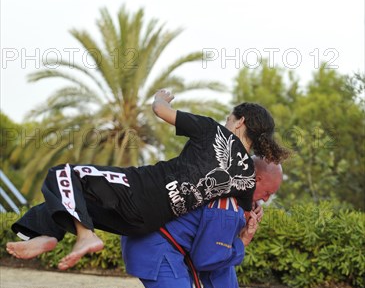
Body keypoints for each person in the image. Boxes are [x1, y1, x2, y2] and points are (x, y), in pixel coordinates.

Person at [7, 90, 288, 271]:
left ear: (239, 122)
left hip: (141, 188)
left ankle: (84, 236)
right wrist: (249, 227)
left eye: (230, 118)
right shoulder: (247, 180)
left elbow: (159, 111)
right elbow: (243, 213)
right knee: (83, 202)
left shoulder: (212, 130)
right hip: (147, 221)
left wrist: (161, 97)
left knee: (64, 174)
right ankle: (45, 233)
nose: (226, 121)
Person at [83, 158, 283, 288]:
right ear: (255, 179)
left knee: (222, 250)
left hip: (158, 242)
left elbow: (213, 245)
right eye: (267, 193)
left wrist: (243, 219)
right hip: (154, 247)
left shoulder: (225, 187)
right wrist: (244, 240)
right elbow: (205, 260)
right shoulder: (228, 204)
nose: (265, 200)